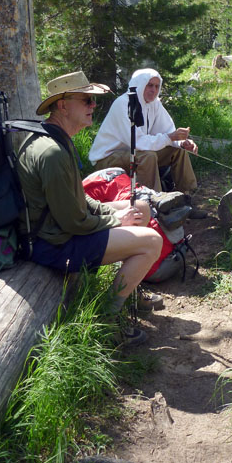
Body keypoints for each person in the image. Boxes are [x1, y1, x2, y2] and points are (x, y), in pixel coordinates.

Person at [16, 70, 164, 345]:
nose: (93, 106)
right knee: (152, 242)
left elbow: (79, 200)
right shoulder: (52, 152)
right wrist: (116, 220)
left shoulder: (56, 139)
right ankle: (107, 320)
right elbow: (73, 222)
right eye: (86, 100)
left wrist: (116, 213)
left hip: (59, 229)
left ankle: (130, 289)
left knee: (140, 208)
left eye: (93, 100)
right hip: (53, 243)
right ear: (63, 105)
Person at [89, 67, 201, 202]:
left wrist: (181, 142)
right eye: (149, 85)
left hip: (134, 153)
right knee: (147, 156)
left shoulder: (154, 104)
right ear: (139, 84)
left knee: (178, 151)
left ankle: (187, 197)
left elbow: (166, 131)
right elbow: (137, 142)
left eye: (156, 86)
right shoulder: (124, 104)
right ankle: (155, 203)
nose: (153, 90)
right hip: (107, 159)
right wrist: (170, 137)